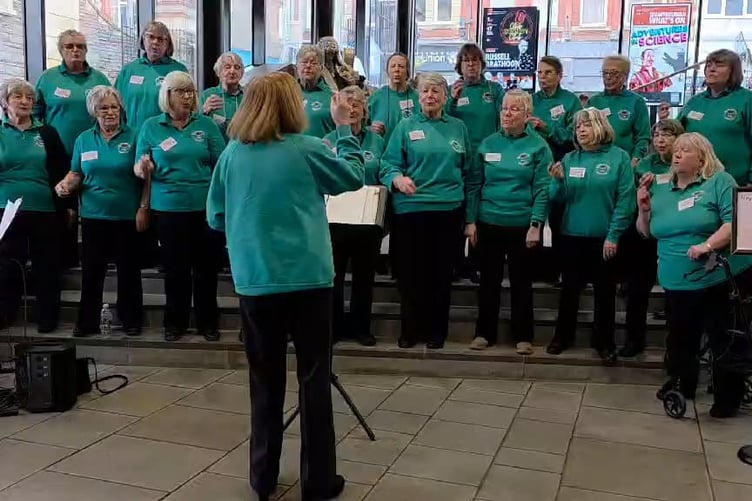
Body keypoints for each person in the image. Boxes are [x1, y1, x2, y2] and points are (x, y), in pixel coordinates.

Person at [206, 71, 363, 501]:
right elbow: (352, 178)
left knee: (264, 382)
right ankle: (317, 482)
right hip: (309, 281)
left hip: (255, 282)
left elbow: (215, 217)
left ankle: (262, 478)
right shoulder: (308, 148)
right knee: (314, 380)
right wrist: (345, 127)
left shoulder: (232, 155)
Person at [636, 132, 752, 418]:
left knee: (721, 337)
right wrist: (643, 209)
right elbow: (646, 232)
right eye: (676, 150)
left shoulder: (719, 182)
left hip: (714, 277)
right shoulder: (662, 187)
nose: (677, 155)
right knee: (680, 338)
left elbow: (733, 221)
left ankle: (728, 396)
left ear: (702, 157)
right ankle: (682, 385)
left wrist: (707, 245)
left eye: (685, 151)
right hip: (675, 279)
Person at [379, 72, 472, 349]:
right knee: (410, 274)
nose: (429, 96)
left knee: (441, 274)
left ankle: (436, 332)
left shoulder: (458, 127)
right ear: (418, 97)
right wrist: (398, 179)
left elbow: (469, 172)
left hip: (448, 210)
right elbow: (388, 165)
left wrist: (470, 218)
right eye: (424, 92)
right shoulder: (406, 127)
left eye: (435, 91)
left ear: (445, 96)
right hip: (411, 211)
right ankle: (410, 330)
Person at [134, 71, 226, 342]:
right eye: (181, 92)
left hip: (203, 208)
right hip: (168, 208)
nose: (188, 97)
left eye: (191, 92)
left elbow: (221, 162)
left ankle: (208, 322)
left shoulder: (206, 126)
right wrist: (143, 168)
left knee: (206, 270)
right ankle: (175, 323)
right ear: (167, 95)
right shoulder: (151, 126)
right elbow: (139, 165)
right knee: (175, 270)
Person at [54, 86, 147, 337]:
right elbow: (76, 173)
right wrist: (64, 185)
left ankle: (131, 320)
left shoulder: (135, 136)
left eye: (114, 107)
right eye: (103, 108)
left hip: (126, 216)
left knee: (129, 273)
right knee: (92, 274)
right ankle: (87, 322)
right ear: (94, 112)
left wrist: (143, 208)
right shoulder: (84, 139)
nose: (109, 112)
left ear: (121, 109)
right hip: (94, 217)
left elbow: (144, 177)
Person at [465, 90, 552, 354]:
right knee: (488, 283)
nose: (507, 113)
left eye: (514, 109)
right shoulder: (488, 143)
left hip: (522, 225)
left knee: (521, 284)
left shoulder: (539, 147)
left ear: (527, 115)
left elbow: (543, 189)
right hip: (489, 222)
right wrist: (470, 221)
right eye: (504, 108)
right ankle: (484, 334)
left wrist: (536, 224)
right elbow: (474, 185)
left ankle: (523, 337)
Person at [547, 108, 636, 364]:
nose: (581, 131)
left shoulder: (619, 158)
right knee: (569, 291)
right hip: (571, 236)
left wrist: (614, 234)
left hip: (604, 237)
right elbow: (558, 199)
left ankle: (604, 343)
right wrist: (557, 181)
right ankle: (562, 337)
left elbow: (626, 201)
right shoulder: (569, 159)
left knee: (605, 293)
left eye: (586, 125)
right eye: (577, 128)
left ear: (601, 127)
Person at [34, 30, 111, 268]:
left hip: (93, 153)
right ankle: (66, 257)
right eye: (69, 46)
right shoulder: (48, 79)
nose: (75, 50)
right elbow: (37, 114)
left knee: (94, 203)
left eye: (80, 46)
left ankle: (99, 256)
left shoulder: (99, 78)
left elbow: (112, 110)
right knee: (62, 204)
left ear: (86, 50)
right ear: (61, 50)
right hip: (58, 154)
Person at [0, 79, 71, 333]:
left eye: (29, 98)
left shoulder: (47, 133)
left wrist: (67, 205)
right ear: (5, 102)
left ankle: (47, 318)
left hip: (44, 208)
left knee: (47, 266)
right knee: (7, 264)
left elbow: (62, 171)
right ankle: (5, 313)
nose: (24, 101)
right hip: (6, 209)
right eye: (17, 96)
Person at [323, 86, 384, 347]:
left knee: (364, 278)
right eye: (347, 104)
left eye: (357, 104)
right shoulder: (327, 140)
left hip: (367, 220)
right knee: (333, 276)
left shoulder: (378, 141)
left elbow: (383, 172)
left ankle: (361, 327)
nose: (353, 108)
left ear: (364, 110)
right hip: (336, 218)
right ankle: (334, 327)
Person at [619, 119, 684, 357]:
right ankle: (634, 340)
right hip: (646, 230)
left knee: (675, 293)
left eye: (667, 135)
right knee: (637, 289)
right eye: (657, 135)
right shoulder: (644, 165)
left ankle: (674, 348)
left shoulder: (684, 165)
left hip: (676, 232)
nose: (660, 140)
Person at [446, 43, 504, 283]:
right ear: (459, 65)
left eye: (476, 61)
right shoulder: (452, 90)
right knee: (458, 210)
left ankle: (477, 264)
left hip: (488, 159)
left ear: (482, 64)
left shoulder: (494, 89)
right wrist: (452, 100)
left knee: (480, 212)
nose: (471, 65)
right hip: (459, 159)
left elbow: (504, 118)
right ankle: (456, 264)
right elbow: (444, 121)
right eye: (466, 61)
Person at [659, 49, 752, 187]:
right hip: (695, 183)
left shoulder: (746, 99)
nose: (711, 69)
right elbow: (676, 135)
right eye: (708, 65)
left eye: (719, 65)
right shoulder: (694, 102)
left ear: (734, 71)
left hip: (736, 183)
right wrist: (664, 121)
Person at [530, 56, 583, 284]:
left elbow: (574, 137)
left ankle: (563, 271)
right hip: (535, 168)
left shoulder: (571, 102)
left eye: (548, 72)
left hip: (562, 168)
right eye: (540, 73)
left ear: (560, 75)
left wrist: (546, 127)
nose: (543, 77)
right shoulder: (531, 100)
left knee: (560, 221)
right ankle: (537, 270)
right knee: (536, 220)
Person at [115, 21, 188, 130]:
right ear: (143, 39)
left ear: (167, 43)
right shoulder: (129, 70)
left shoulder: (178, 70)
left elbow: (187, 107)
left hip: (165, 136)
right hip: (133, 136)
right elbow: (116, 104)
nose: (155, 42)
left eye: (160, 39)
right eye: (151, 37)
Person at [588, 56, 651, 165]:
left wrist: (636, 157)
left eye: (614, 73)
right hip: (595, 161)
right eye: (605, 73)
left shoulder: (636, 101)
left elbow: (643, 137)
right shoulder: (594, 101)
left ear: (625, 77)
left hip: (625, 162)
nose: (608, 77)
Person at [368, 52, 419, 143]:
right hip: (381, 150)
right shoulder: (377, 97)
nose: (396, 70)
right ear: (387, 71)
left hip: (410, 150)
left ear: (407, 72)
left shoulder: (417, 98)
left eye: (401, 66)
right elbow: (359, 126)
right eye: (393, 66)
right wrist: (369, 129)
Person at [200, 52, 244, 141]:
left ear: (242, 73)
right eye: (227, 67)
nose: (232, 71)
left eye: (237, 67)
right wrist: (204, 111)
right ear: (218, 72)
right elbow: (195, 125)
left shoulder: (249, 95)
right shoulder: (207, 95)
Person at [296, 45, 335, 138]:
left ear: (321, 68)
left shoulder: (333, 97)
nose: (308, 66)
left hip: (322, 151)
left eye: (313, 63)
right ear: (296, 66)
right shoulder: (287, 94)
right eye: (304, 62)